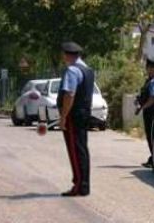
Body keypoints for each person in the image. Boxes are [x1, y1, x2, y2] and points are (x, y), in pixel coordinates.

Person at [57, 41, 94, 197]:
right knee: (82, 149)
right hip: (84, 113)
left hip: (74, 116)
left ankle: (79, 185)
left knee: (75, 151)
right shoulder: (88, 70)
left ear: (66, 55)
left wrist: (63, 117)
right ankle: (84, 185)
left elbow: (69, 94)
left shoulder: (72, 70)